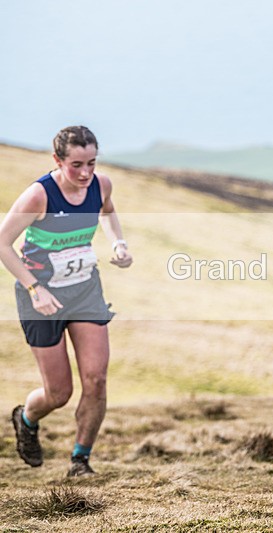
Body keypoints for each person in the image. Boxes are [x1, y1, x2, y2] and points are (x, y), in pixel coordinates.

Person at [0, 126, 133, 477]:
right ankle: (26, 418)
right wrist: (34, 288)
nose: (85, 173)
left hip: (84, 289)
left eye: (91, 162)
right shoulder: (39, 196)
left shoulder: (100, 185)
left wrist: (118, 243)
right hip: (41, 297)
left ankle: (80, 460)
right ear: (57, 161)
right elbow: (2, 243)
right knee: (58, 392)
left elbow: (108, 211)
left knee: (97, 380)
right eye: (76, 164)